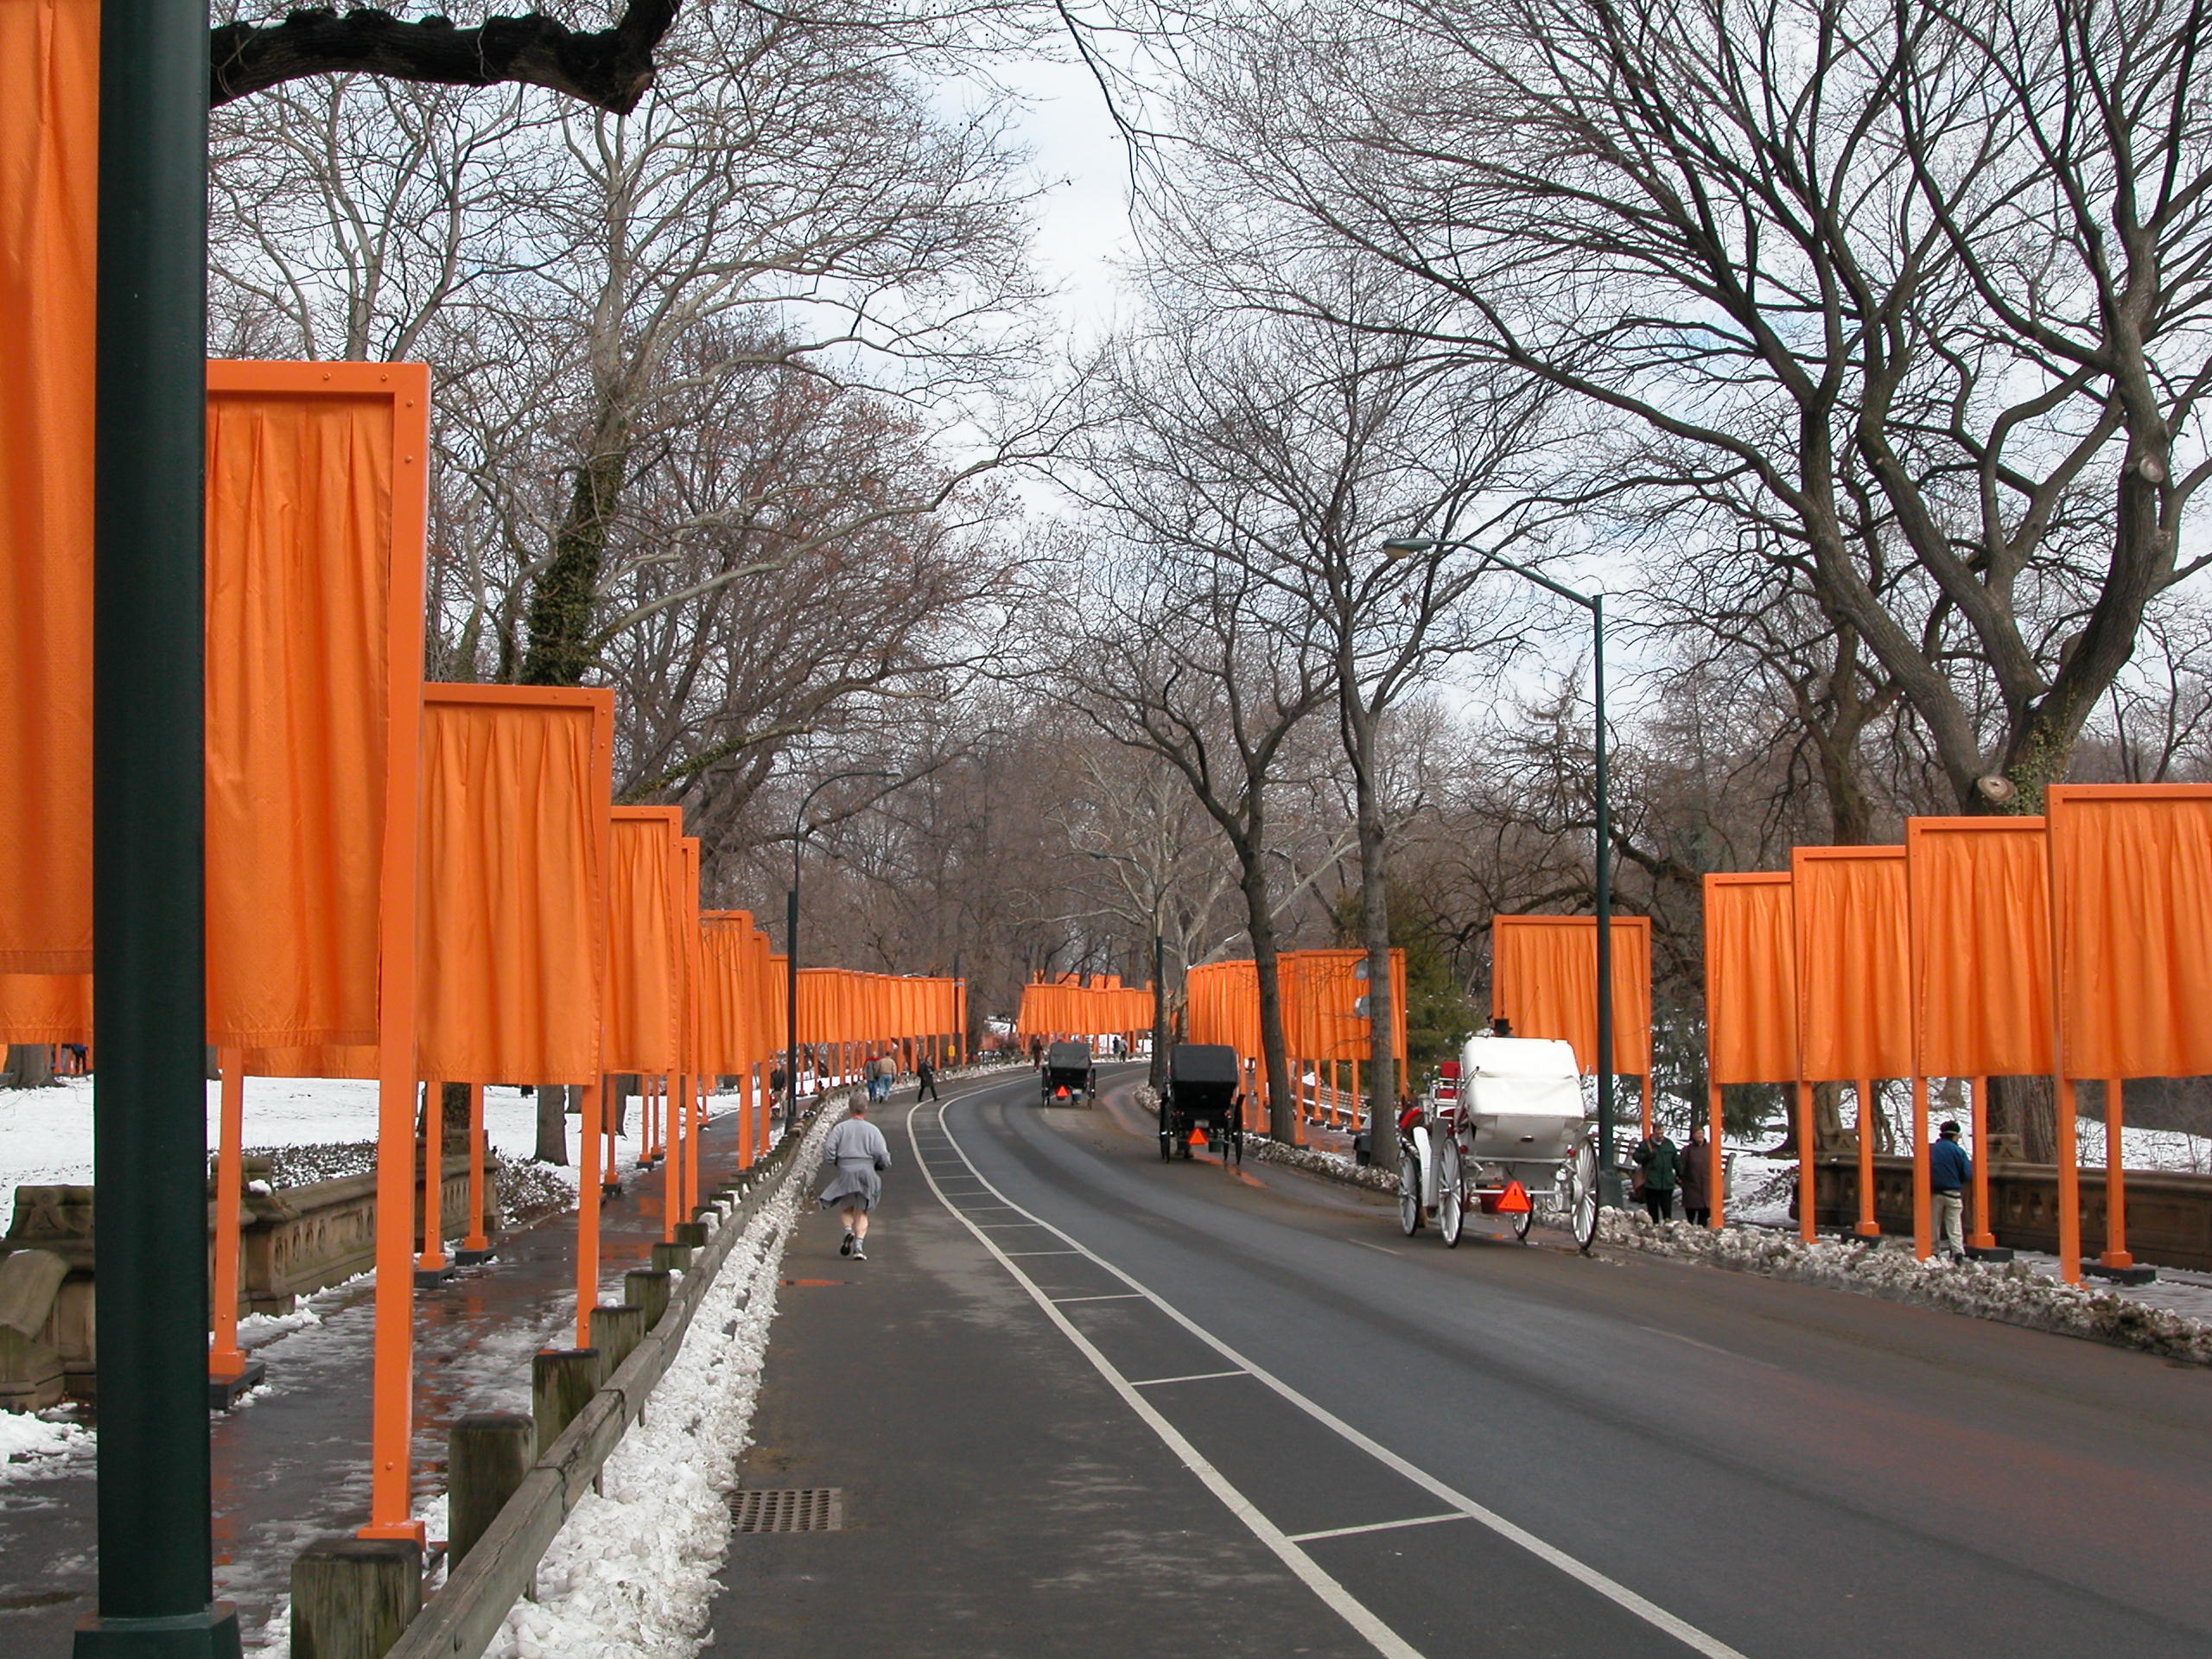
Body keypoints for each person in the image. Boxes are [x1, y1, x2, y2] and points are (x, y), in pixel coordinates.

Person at [820, 1099, 893, 1260]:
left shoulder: (840, 1128)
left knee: (847, 1207)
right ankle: (859, 1248)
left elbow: (829, 1148)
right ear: (865, 1109)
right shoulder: (873, 1130)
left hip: (846, 1170)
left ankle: (848, 1231)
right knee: (862, 1211)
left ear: (849, 1108)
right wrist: (882, 1165)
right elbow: (882, 1154)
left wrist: (835, 1161)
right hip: (867, 1172)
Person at [1931, 1119, 1972, 1258]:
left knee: (1933, 1223)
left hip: (1934, 1193)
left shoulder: (1931, 1150)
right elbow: (1967, 1173)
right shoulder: (1958, 1151)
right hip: (1953, 1192)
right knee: (1954, 1223)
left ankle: (1933, 1250)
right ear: (1955, 1136)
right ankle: (1957, 1250)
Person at [1632, 1127, 1680, 1223]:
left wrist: (1680, 1173)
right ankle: (1654, 1226)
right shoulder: (1646, 1144)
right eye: (1658, 1133)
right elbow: (1636, 1157)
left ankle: (1667, 1226)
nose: (1660, 1136)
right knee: (1652, 1209)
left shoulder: (1669, 1144)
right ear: (1653, 1132)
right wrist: (1647, 1156)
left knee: (1667, 1209)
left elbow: (1676, 1160)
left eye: (1661, 1133)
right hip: (1651, 1182)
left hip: (1667, 1183)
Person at [1679, 1122, 1713, 1227]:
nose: (1700, 1136)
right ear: (1693, 1136)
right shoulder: (1687, 1150)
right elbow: (1681, 1167)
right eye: (1698, 1134)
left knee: (1704, 1216)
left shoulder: (1710, 1148)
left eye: (1702, 1133)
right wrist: (1683, 1178)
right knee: (1691, 1215)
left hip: (1707, 1186)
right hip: (1692, 1186)